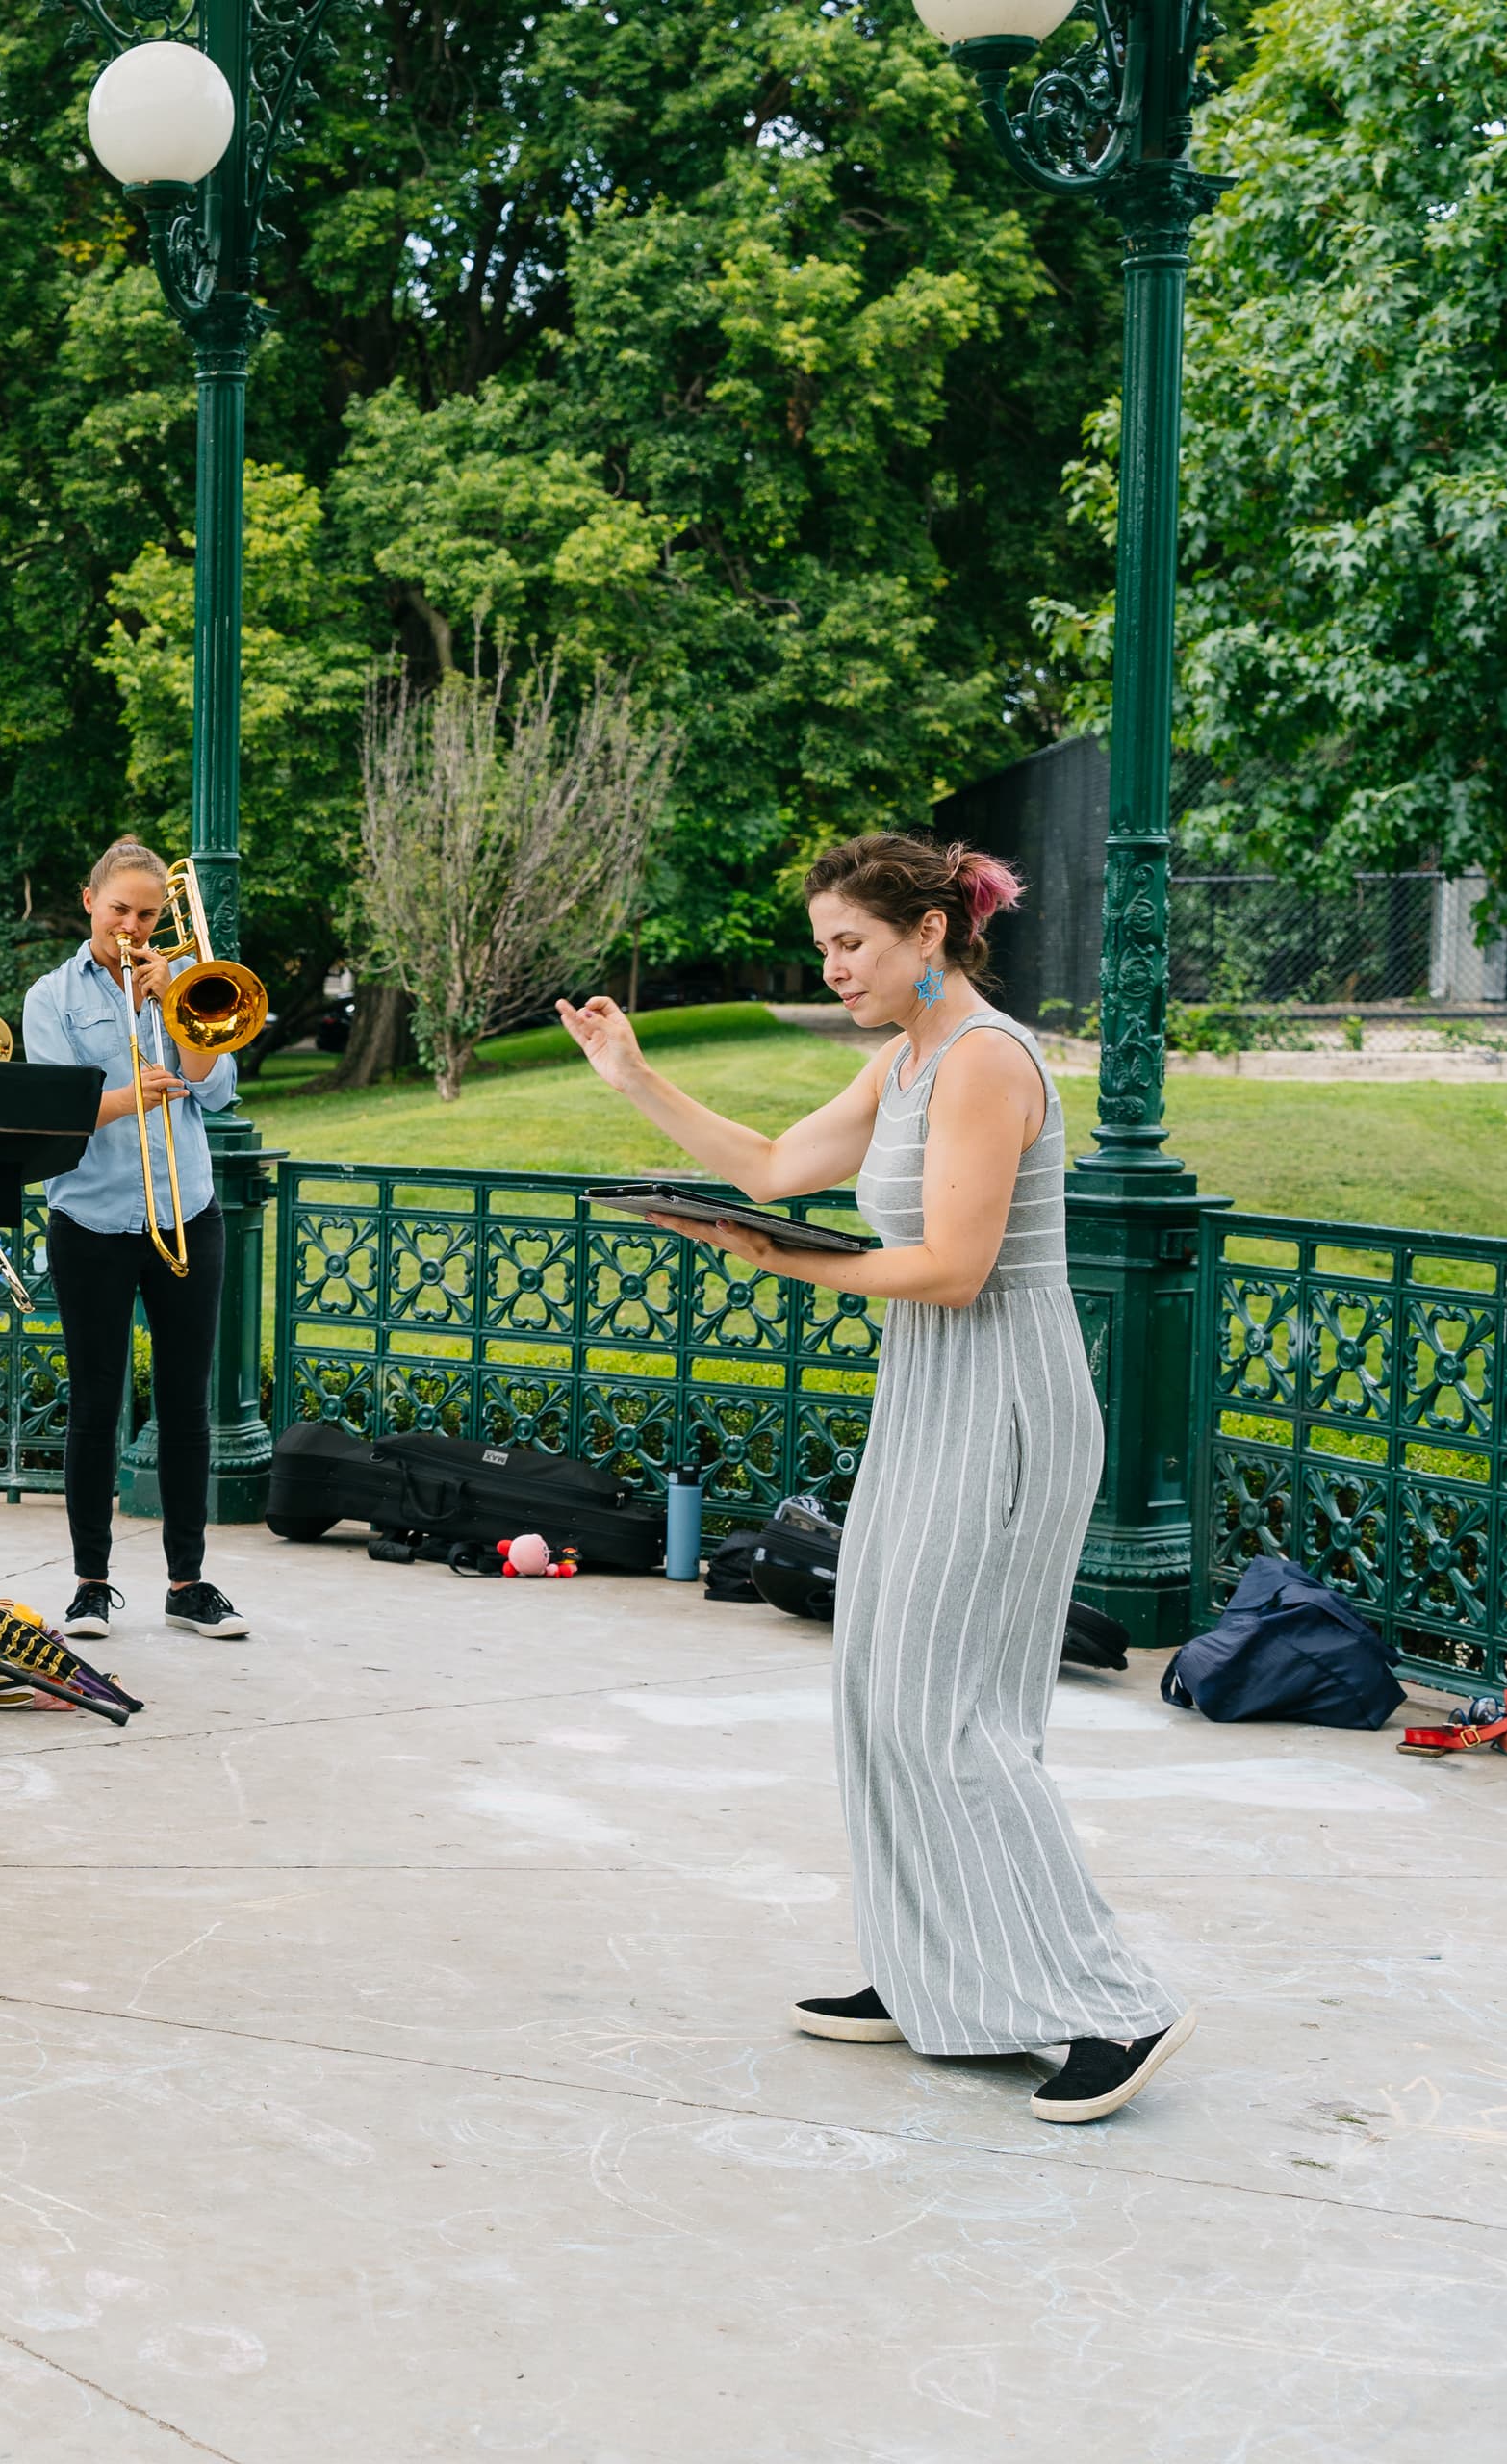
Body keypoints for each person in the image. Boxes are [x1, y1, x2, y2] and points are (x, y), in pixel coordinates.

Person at [557, 832, 1191, 2124]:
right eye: (826, 948)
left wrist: (787, 1267)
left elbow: (956, 1268)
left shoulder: (984, 1062)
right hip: (931, 1397)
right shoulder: (907, 1060)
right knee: (877, 1689)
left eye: (852, 943)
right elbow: (782, 1169)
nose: (835, 967)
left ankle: (1110, 2003)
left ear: (932, 935)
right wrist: (634, 1079)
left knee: (955, 1714)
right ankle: (936, 1975)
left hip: (1006, 1401)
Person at [20, 839, 251, 1643]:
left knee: (185, 1406)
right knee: (95, 1405)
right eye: (119, 908)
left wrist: (177, 1001)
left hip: (189, 1210)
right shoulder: (50, 996)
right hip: (90, 1219)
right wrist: (132, 1095)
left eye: (148, 914)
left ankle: (188, 1583)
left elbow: (216, 1090)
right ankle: (91, 1584)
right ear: (89, 901)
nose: (132, 925)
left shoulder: (179, 983)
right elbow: (58, 1110)